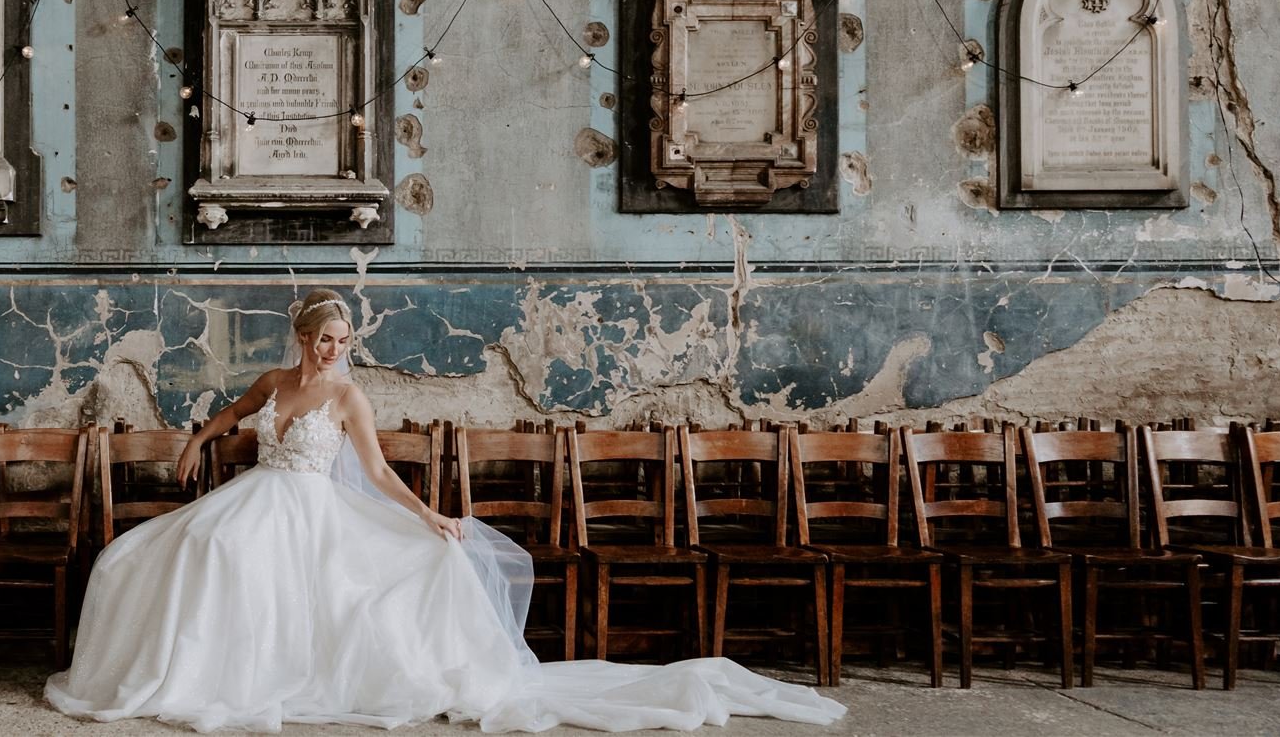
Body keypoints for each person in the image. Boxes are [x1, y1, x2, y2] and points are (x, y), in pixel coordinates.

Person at [46, 288, 846, 731]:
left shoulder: (349, 395)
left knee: (285, 568)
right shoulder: (275, 382)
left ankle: (257, 676)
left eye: (344, 335)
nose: (335, 345)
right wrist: (199, 438)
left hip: (312, 508)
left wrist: (430, 515)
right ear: (301, 336)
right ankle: (192, 668)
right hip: (257, 495)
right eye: (326, 335)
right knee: (154, 554)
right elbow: (231, 410)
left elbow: (375, 472)